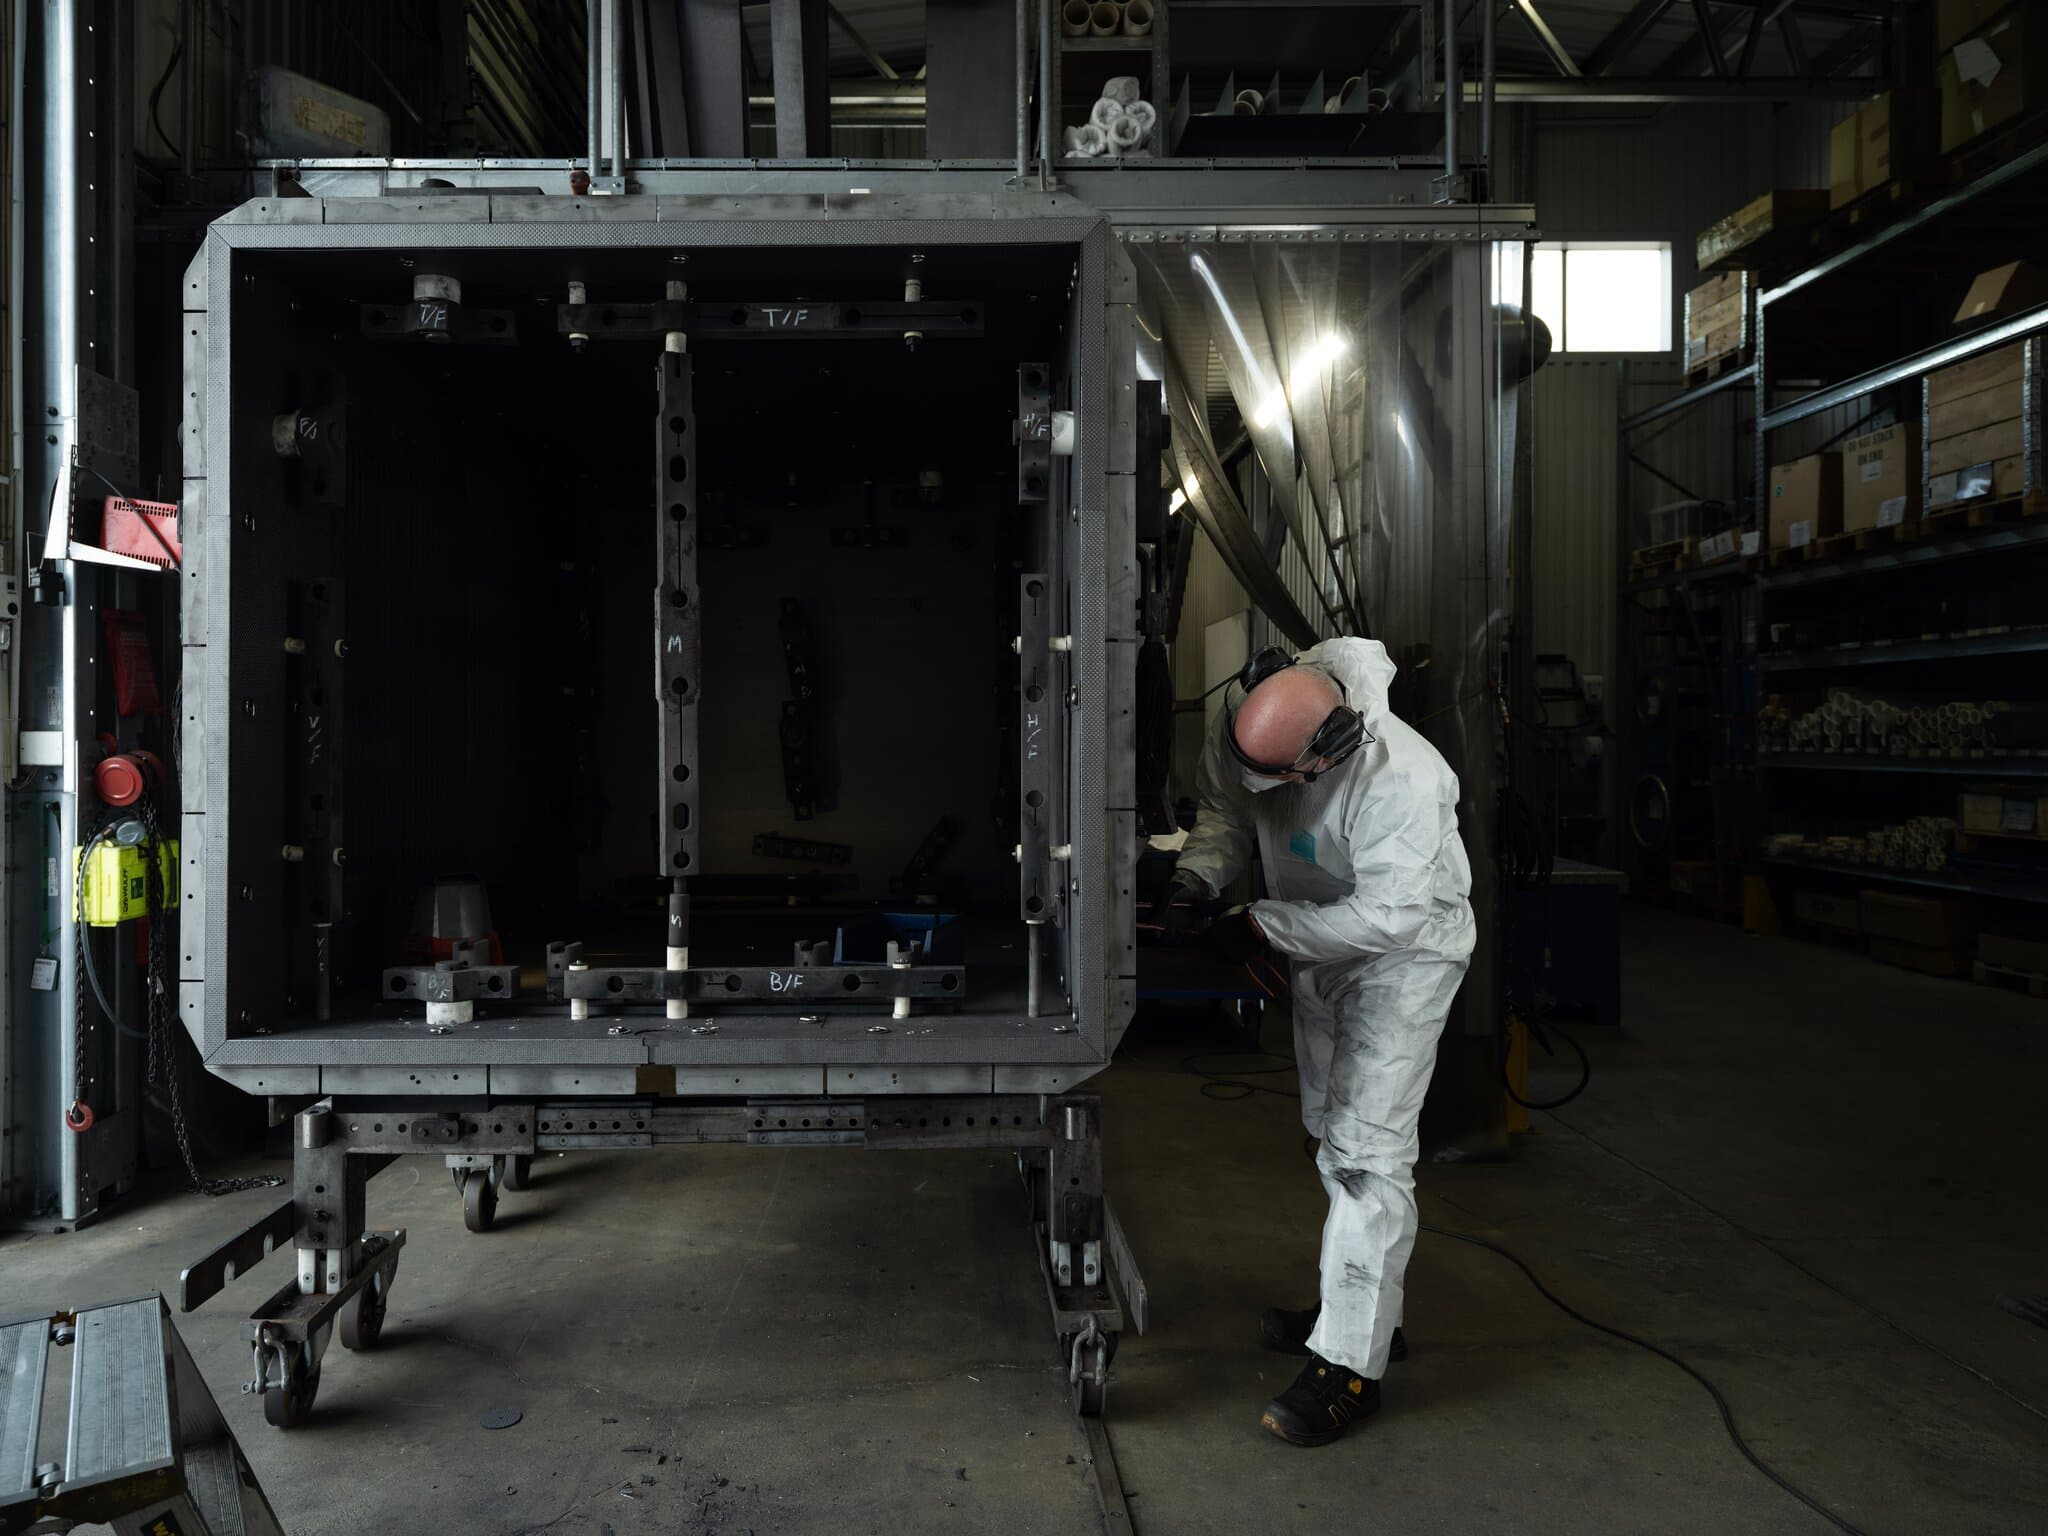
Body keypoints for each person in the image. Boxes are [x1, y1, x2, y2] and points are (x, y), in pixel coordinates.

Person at [1157, 637, 1475, 1447]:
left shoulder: (1406, 775)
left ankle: (1350, 1370)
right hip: (1314, 942)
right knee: (1326, 1134)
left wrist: (1261, 923)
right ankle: (1362, 1308)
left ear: (1326, 749)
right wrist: (1197, 880)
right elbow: (1228, 811)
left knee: (1367, 1155)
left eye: (1278, 780)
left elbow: (1392, 916)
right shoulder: (1251, 719)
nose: (1260, 785)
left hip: (1399, 956)